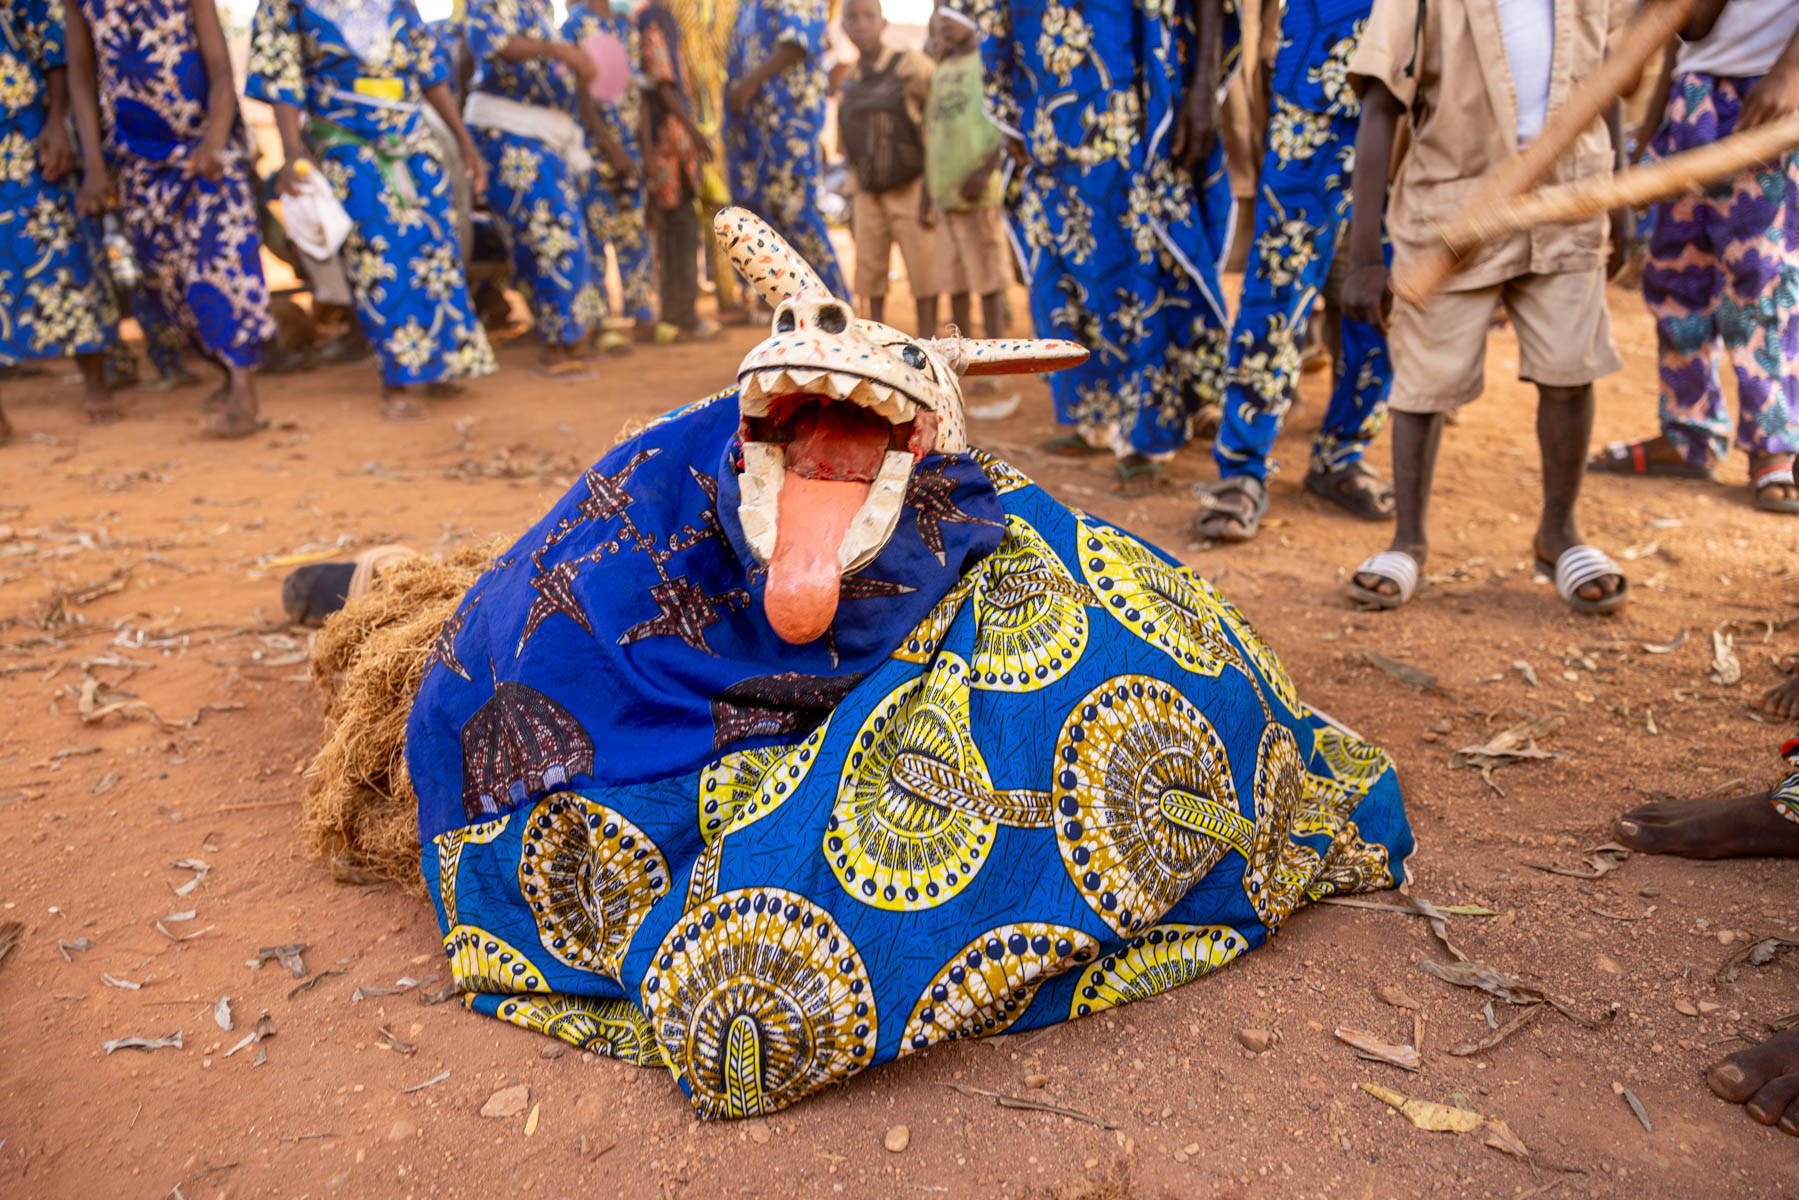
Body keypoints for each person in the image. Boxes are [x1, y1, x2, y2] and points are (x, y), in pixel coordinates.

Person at [289, 206, 1413, 1121]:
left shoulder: (989, 534)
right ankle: (359, 582)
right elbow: (493, 658)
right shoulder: (630, 529)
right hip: (632, 655)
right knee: (436, 610)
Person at [1340, 0, 1635, 614]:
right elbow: (1380, 105)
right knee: (1423, 385)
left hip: (1569, 199)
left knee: (1568, 369)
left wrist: (1622, 194)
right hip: (1451, 207)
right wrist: (1364, 251)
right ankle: (1408, 541)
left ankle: (1560, 533)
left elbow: (1607, 79)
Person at [949, 0, 1239, 495]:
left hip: (1129, 123)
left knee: (1132, 277)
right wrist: (1006, 115)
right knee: (1064, 283)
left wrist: (1199, 91)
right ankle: (1099, 419)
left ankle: (1147, 434)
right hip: (1043, 128)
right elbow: (989, 19)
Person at [1587, 0, 1799, 515]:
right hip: (1694, 94)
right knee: (1676, 277)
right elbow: (1692, 28)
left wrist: (1791, 72)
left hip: (1767, 95)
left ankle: (1775, 447)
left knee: (1760, 280)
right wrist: (1653, 134)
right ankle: (1690, 432)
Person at [1197, 0, 1395, 542]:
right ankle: (1242, 468)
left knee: (1387, 296)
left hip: (1414, 97)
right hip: (1315, 89)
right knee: (1276, 293)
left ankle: (1342, 453)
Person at [248, 0, 498, 423]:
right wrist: (292, 152)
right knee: (379, 256)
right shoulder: (287, 5)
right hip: (345, 137)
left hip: (413, 135)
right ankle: (400, 377)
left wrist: (464, 142)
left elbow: (429, 70)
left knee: (436, 249)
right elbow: (281, 77)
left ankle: (438, 364)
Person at [64, 0, 275, 439]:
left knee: (223, 263)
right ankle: (225, 369)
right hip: (138, 157)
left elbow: (219, 69)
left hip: (206, 149)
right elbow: (82, 79)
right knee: (162, 276)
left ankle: (243, 391)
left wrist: (215, 142)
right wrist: (95, 168)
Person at [462, 0, 610, 377]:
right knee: (548, 236)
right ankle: (555, 349)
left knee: (566, 233)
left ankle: (571, 337)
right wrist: (562, 51)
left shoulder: (541, 6)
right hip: (508, 133)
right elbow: (493, 43)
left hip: (543, 136)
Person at [0, 0, 119, 428]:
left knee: (66, 253)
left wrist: (56, 121)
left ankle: (95, 379)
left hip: (26, 138)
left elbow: (56, 48)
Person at [724, 0, 849, 303]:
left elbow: (799, 42)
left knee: (793, 210)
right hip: (756, 124)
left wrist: (751, 83)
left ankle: (838, 308)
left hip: (788, 118)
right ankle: (795, 317)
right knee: (767, 218)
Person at [563, 0, 657, 348]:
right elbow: (579, 97)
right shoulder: (574, 27)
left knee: (634, 233)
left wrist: (644, 150)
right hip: (593, 153)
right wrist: (612, 148)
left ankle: (643, 316)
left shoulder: (625, 28)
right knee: (596, 236)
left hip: (630, 152)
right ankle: (602, 325)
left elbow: (639, 95)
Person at [838, 0, 935, 334]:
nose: (861, 25)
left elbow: (937, 119)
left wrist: (932, 187)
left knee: (924, 274)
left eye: (868, 17)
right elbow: (846, 146)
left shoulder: (911, 65)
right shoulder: (848, 81)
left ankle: (928, 348)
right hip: (867, 193)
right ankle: (875, 352)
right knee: (869, 276)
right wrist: (853, 196)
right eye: (852, 18)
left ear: (883, 22)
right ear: (844, 27)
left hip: (912, 188)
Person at [637, 0, 719, 344]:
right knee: (679, 227)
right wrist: (694, 129)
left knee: (675, 228)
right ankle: (681, 316)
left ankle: (676, 315)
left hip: (671, 145)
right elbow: (662, 84)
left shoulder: (659, 18)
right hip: (667, 144)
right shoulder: (654, 18)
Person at [922, 9, 1005, 344]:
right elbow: (934, 132)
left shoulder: (986, 65)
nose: (944, 19)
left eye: (955, 11)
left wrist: (985, 171)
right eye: (940, 12)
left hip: (977, 193)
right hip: (945, 196)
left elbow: (1003, 125)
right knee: (954, 283)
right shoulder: (941, 69)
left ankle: (996, 355)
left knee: (988, 279)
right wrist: (927, 195)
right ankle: (966, 359)